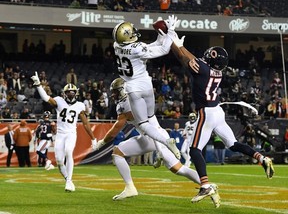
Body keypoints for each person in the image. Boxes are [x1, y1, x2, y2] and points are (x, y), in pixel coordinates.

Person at [170, 34, 275, 203]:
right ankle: (261, 158)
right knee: (232, 144)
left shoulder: (203, 70)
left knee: (194, 150)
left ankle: (205, 185)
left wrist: (174, 41)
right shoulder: (216, 72)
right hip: (217, 111)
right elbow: (191, 59)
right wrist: (177, 43)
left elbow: (184, 58)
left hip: (207, 112)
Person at [93, 78, 220, 208]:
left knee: (117, 152)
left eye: (115, 92)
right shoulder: (137, 97)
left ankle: (130, 187)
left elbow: (115, 129)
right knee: (179, 169)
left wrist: (101, 143)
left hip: (153, 137)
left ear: (123, 90)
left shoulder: (125, 104)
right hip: (157, 135)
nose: (113, 95)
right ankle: (207, 186)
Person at [112, 15, 181, 160]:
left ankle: (165, 142)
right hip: (146, 85)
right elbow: (163, 50)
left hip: (133, 88)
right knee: (151, 118)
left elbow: (151, 47)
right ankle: (161, 152)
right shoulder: (137, 48)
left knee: (143, 125)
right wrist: (170, 32)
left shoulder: (117, 46)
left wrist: (161, 36)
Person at [31, 72, 97, 192]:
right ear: (64, 93)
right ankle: (68, 179)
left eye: (72, 92)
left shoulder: (80, 105)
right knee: (60, 161)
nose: (70, 94)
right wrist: (38, 85)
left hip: (71, 133)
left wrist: (93, 138)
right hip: (60, 134)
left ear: (76, 93)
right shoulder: (59, 101)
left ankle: (69, 180)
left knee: (68, 152)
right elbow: (46, 98)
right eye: (68, 92)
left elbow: (86, 123)